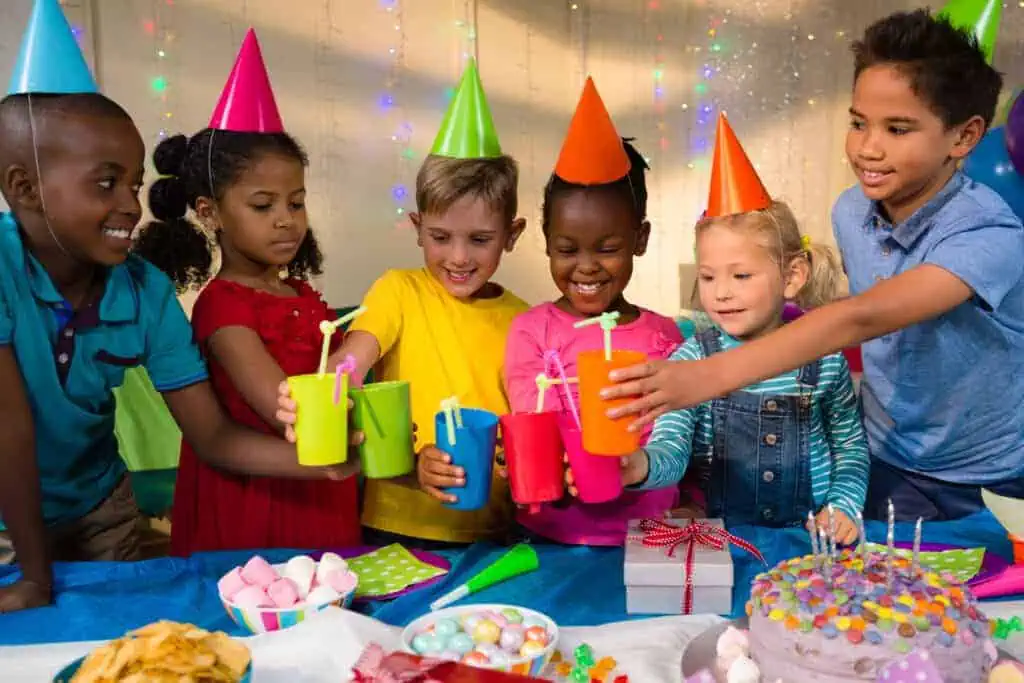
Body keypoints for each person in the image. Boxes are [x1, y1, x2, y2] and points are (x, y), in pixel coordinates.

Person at [604, 10, 1022, 522]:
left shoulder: (989, 234)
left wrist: (707, 376)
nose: (868, 147)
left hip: (990, 479)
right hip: (890, 460)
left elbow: (863, 317)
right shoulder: (852, 210)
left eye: (898, 128)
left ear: (963, 137)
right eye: (857, 122)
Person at [0, 20, 356, 613]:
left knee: (116, 636)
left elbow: (212, 436)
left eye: (135, 184)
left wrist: (329, 461)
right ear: (25, 188)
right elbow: (7, 431)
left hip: (99, 504)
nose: (129, 206)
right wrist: (34, 576)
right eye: (106, 183)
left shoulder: (145, 291)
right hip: (6, 516)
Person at [278, 60, 527, 547]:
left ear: (511, 235)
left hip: (495, 529)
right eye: (440, 237)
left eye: (479, 239)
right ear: (417, 229)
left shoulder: (523, 319)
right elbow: (358, 352)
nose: (458, 257)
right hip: (397, 528)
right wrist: (332, 385)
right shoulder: (398, 291)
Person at [134, 29, 361, 555]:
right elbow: (286, 407)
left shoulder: (302, 294)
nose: (286, 221)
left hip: (320, 487)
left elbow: (343, 375)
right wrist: (355, 424)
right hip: (260, 503)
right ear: (209, 211)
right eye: (263, 206)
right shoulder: (224, 307)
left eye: (296, 202)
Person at [613, 115, 868, 540]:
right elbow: (673, 449)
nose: (721, 293)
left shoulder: (824, 361)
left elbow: (850, 448)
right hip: (721, 542)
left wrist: (843, 506)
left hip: (807, 542)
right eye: (708, 277)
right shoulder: (692, 359)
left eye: (741, 276)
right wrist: (639, 465)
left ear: (792, 276)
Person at [503, 78, 681, 545]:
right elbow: (532, 419)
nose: (586, 266)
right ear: (546, 240)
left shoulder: (665, 337)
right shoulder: (531, 331)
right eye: (567, 248)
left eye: (607, 248)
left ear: (639, 240)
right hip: (552, 537)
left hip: (650, 536)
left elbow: (683, 438)